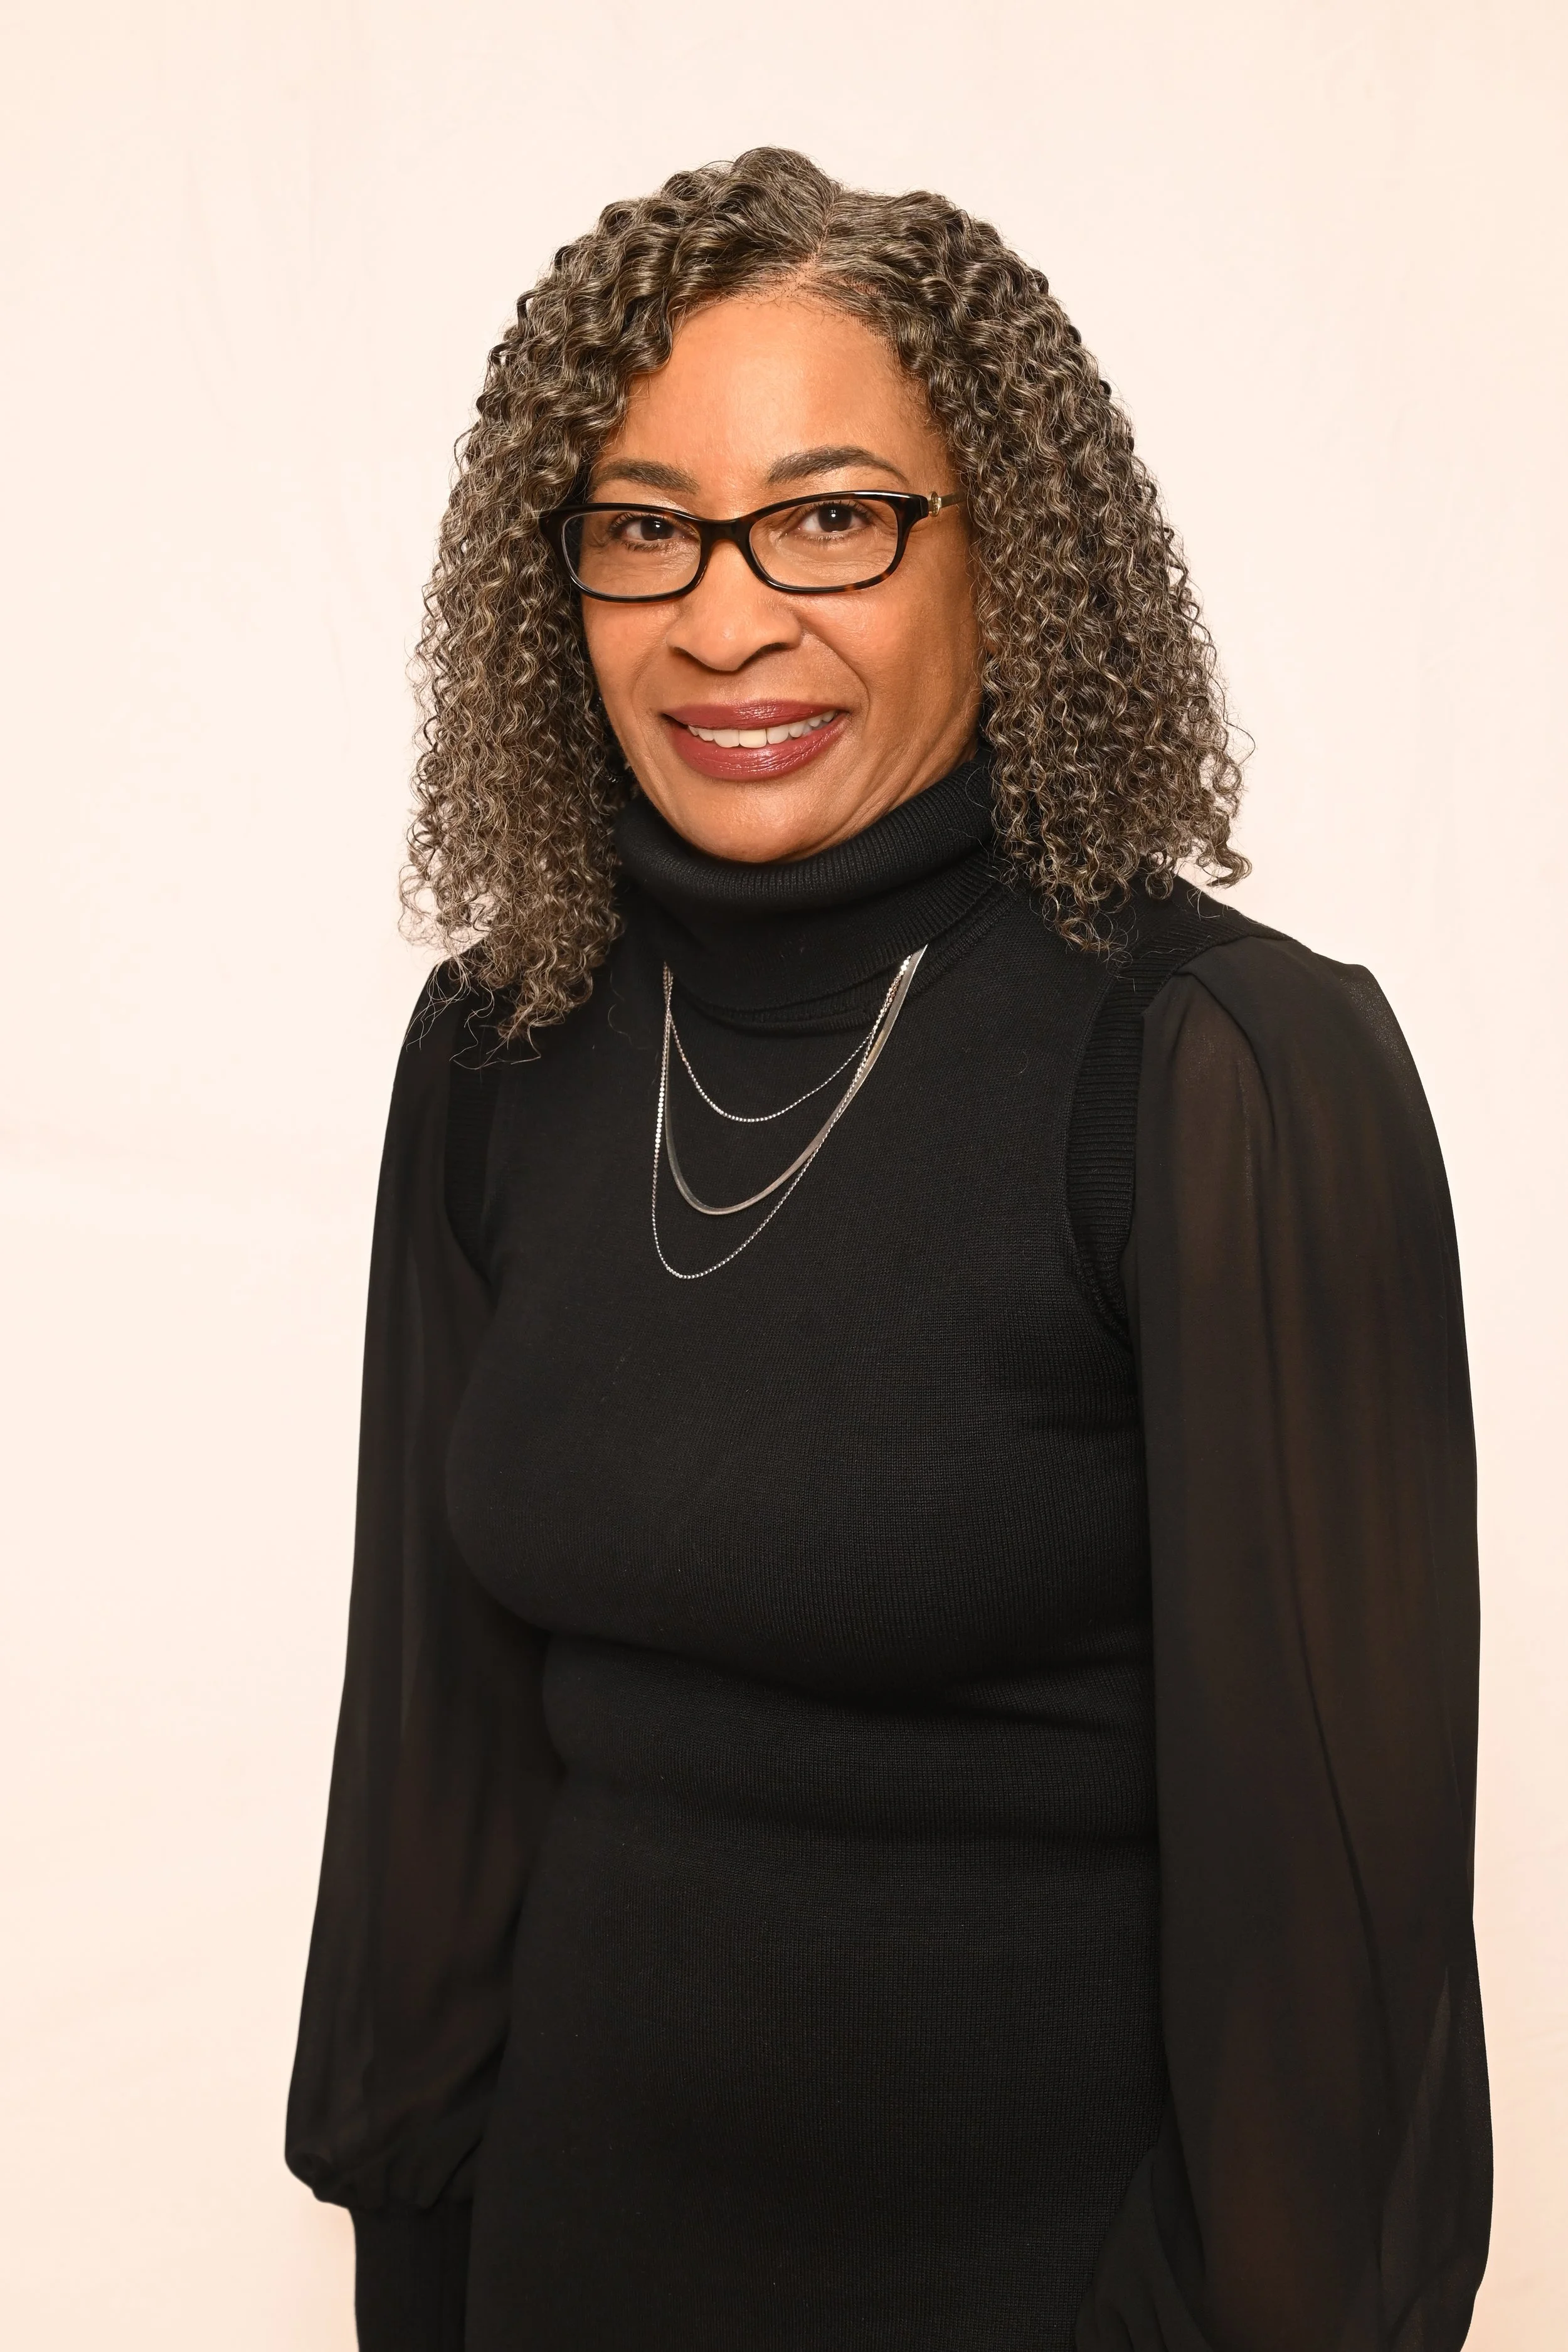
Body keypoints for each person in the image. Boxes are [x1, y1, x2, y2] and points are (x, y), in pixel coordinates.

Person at [285, 149, 1490, 2352]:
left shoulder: (1220, 1066)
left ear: (1006, 556)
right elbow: (429, 1816)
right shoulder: (501, 1047)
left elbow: (1335, 1985)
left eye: (829, 516)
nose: (721, 617)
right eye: (641, 526)